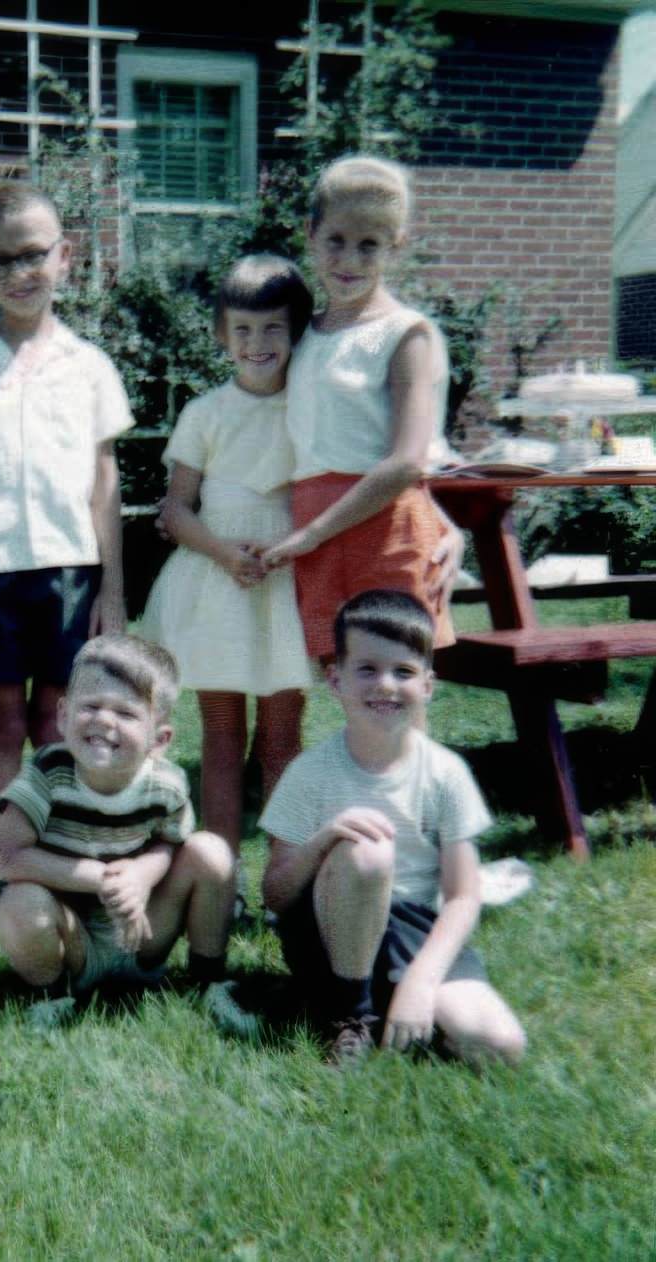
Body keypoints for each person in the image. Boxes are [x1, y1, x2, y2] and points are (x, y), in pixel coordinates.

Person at [0, 182, 133, 835]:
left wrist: (112, 590)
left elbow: (104, 481)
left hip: (71, 574)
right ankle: (10, 866)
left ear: (65, 256)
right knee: (5, 723)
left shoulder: (89, 367)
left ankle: (65, 854)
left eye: (33, 254)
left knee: (58, 723)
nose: (20, 273)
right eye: (0, 261)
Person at [260, 591, 527, 1067]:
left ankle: (393, 999)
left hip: (410, 926)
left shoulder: (445, 773)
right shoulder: (309, 773)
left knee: (499, 1047)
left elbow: (463, 896)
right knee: (367, 852)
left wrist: (423, 981)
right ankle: (351, 1017)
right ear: (335, 679)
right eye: (367, 669)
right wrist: (326, 840)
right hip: (328, 925)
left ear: (427, 685)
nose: (385, 685)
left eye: (403, 671)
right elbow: (276, 895)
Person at [141, 255, 313, 855]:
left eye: (273, 329)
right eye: (242, 329)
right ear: (222, 334)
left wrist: (287, 547)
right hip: (218, 580)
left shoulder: (311, 408)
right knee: (220, 732)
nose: (257, 343)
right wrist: (222, 552)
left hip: (286, 578)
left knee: (282, 734)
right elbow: (177, 511)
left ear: (296, 332)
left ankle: (284, 870)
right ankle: (221, 870)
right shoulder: (205, 413)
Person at [260, 155, 457, 662]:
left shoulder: (406, 335)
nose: (349, 260)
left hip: (384, 526)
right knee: (342, 677)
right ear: (311, 233)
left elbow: (408, 461)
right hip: (315, 523)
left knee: (395, 679)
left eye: (369, 245)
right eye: (336, 240)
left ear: (396, 245)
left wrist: (315, 532)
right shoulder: (302, 334)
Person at [0, 635, 237, 1019]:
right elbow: (6, 857)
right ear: (63, 715)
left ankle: (209, 983)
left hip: (143, 931)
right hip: (72, 939)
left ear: (159, 740)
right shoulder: (47, 775)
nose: (104, 720)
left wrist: (141, 874)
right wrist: (101, 878)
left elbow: (171, 843)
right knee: (19, 902)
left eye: (125, 713)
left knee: (212, 852)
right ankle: (54, 997)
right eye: (90, 706)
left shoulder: (166, 784)